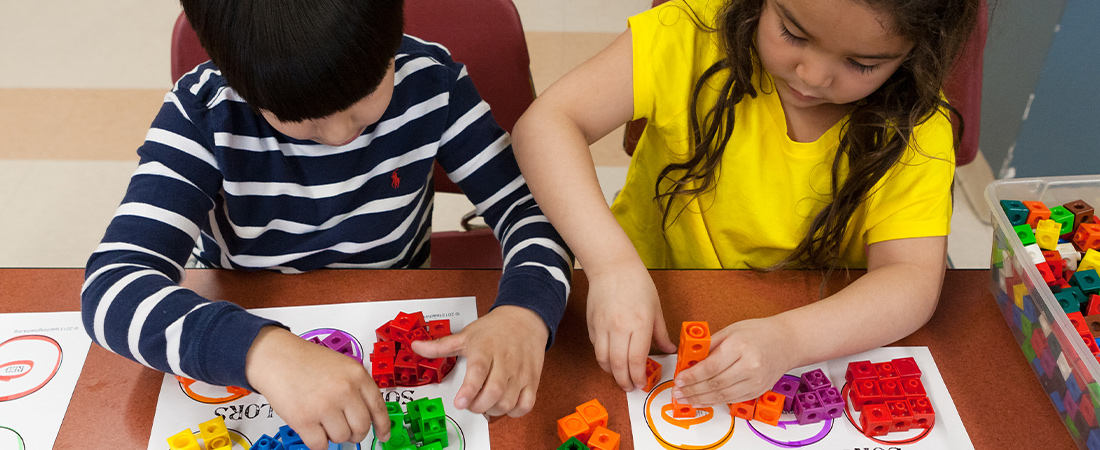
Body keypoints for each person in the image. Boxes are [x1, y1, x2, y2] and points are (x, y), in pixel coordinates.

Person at [79, 1, 572, 449]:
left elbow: (534, 211)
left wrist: (525, 311)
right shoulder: (201, 116)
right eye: (304, 120)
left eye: (364, 98)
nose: (340, 135)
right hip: (253, 321)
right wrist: (260, 352)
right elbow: (111, 287)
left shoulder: (432, 83)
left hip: (394, 300)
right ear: (237, 79)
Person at [511, 0, 977, 408]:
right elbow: (548, 122)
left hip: (814, 330)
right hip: (645, 298)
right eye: (792, 32)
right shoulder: (691, 33)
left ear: (917, 51)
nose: (812, 75)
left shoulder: (917, 130)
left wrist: (790, 339)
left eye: (863, 63)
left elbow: (910, 280)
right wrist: (611, 266)